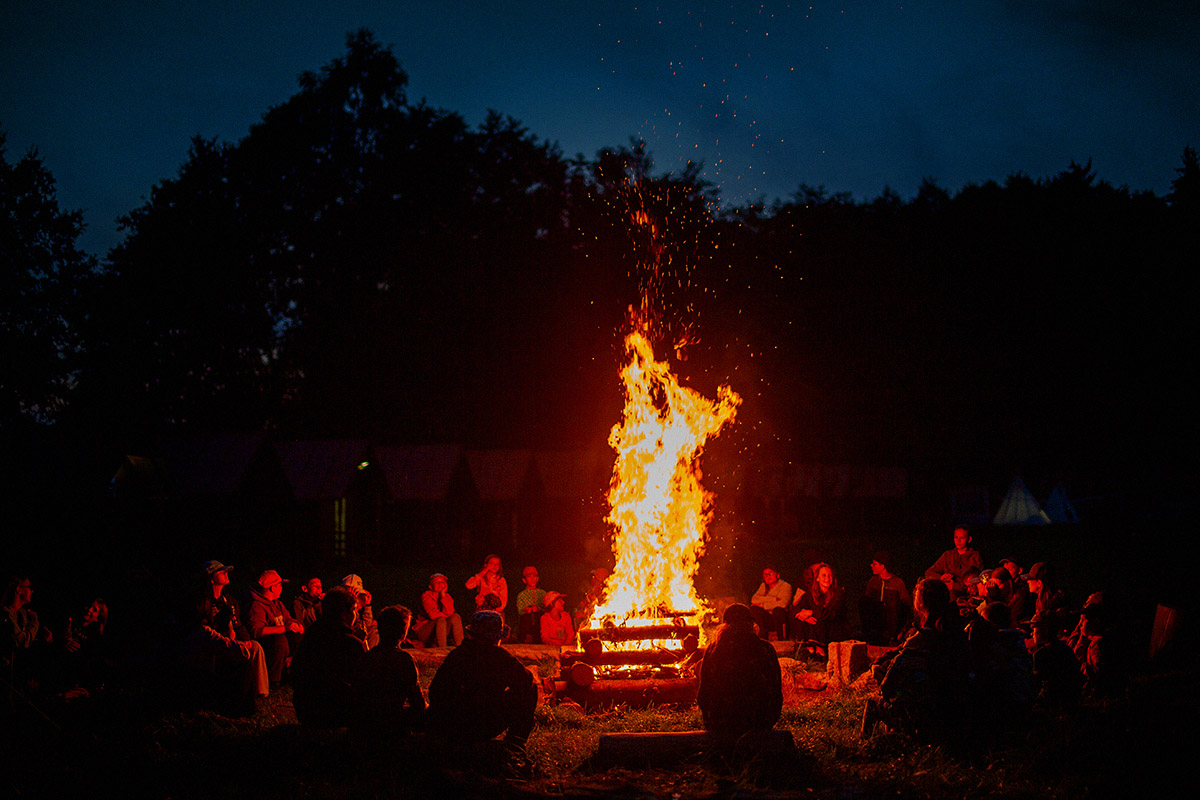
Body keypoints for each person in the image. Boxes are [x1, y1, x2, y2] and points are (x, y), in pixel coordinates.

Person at [866, 578, 971, 743]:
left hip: (923, 710)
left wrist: (881, 673)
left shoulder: (920, 641)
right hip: (954, 708)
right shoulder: (957, 631)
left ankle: (870, 742)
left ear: (920, 602)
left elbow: (889, 684)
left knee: (876, 700)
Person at [427, 610, 537, 752]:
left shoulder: (458, 655)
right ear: (497, 637)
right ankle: (515, 743)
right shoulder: (500, 657)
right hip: (484, 723)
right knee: (531, 688)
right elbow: (526, 680)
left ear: (471, 634)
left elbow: (435, 692)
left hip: (452, 724)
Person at [176, 560, 268, 714]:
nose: (226, 574)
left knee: (255, 647)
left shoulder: (229, 601)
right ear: (211, 578)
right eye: (221, 572)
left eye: (226, 571)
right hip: (208, 641)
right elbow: (201, 630)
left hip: (227, 639)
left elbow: (238, 626)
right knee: (239, 650)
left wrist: (245, 641)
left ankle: (260, 694)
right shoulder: (201, 600)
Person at [697, 603, 783, 739]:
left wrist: (710, 721)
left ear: (725, 624)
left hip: (721, 722)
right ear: (751, 624)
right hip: (758, 721)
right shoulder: (765, 649)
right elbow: (776, 690)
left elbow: (703, 694)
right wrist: (768, 720)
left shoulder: (714, 650)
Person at [291, 586, 366, 727]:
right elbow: (365, 680)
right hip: (336, 712)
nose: (355, 615)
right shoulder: (350, 642)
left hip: (305, 710)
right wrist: (362, 644)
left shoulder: (312, 633)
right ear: (345, 613)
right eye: (354, 610)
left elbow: (295, 673)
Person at [353, 605, 426, 738]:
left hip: (366, 724)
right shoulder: (403, 659)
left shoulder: (368, 657)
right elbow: (417, 703)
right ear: (403, 631)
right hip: (393, 724)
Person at [248, 569, 304, 687]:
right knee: (279, 641)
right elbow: (257, 631)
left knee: (298, 637)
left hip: (281, 645)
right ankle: (273, 680)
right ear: (272, 588)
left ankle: (292, 674)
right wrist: (284, 628)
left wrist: (296, 625)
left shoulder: (277, 604)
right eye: (279, 585)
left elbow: (288, 619)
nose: (281, 588)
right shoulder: (257, 605)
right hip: (267, 646)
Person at [791, 563, 846, 654]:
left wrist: (811, 613)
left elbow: (830, 614)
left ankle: (818, 651)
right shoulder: (811, 594)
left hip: (834, 628)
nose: (827, 578)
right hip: (817, 628)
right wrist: (805, 616)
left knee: (819, 621)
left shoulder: (838, 594)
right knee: (804, 620)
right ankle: (807, 649)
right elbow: (796, 608)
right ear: (817, 578)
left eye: (830, 576)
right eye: (824, 575)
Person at [860, 551, 912, 646]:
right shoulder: (873, 582)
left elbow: (907, 607)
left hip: (892, 632)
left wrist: (902, 630)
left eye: (875, 564)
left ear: (883, 566)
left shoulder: (897, 584)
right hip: (875, 630)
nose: (871, 565)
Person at [924, 527, 983, 598]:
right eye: (956, 537)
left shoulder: (975, 557)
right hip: (945, 592)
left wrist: (954, 586)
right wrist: (941, 578)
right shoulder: (948, 555)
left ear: (969, 539)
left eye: (962, 538)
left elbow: (977, 581)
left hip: (965, 596)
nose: (958, 541)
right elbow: (929, 572)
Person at [414, 573, 464, 648]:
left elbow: (450, 612)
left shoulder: (447, 596)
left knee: (455, 616)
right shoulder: (426, 596)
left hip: (440, 631)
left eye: (442, 582)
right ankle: (442, 648)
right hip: (425, 631)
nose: (440, 584)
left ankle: (461, 646)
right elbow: (433, 616)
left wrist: (443, 595)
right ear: (430, 586)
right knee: (440, 619)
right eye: (437, 582)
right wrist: (446, 615)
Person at [750, 566, 792, 641]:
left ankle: (782, 638)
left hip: (780, 618)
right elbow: (754, 600)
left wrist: (763, 605)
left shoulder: (785, 586)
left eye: (770, 574)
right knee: (754, 608)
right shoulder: (763, 586)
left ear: (777, 575)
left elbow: (783, 603)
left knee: (778, 610)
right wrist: (773, 599)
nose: (767, 576)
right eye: (765, 574)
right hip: (768, 618)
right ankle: (762, 637)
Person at [342, 574, 379, 649]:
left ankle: (370, 657)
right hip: (342, 639)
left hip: (353, 638)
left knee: (374, 632)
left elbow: (365, 625)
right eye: (355, 593)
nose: (357, 596)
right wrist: (349, 603)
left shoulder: (356, 609)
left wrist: (367, 606)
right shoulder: (337, 604)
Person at [515, 566, 546, 644]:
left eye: (534, 576)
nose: (532, 579)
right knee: (527, 618)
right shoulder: (521, 595)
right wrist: (526, 610)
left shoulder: (542, 593)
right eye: (529, 577)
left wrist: (538, 609)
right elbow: (520, 611)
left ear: (537, 578)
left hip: (540, 622)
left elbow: (547, 608)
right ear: (524, 580)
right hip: (527, 623)